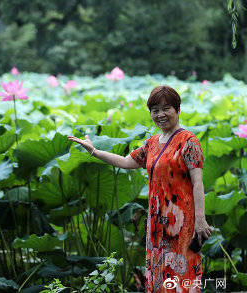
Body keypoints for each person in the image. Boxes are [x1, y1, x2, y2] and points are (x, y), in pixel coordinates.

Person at [68, 85, 212, 292]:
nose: (160, 115)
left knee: (181, 273)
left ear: (177, 110)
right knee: (158, 273)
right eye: (155, 110)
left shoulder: (189, 141)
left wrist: (200, 220)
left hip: (180, 221)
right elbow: (126, 161)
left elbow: (198, 182)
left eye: (166, 108)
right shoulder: (152, 143)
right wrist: (94, 151)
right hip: (155, 221)